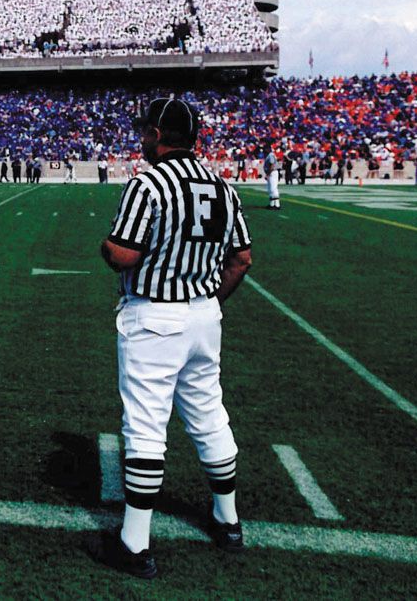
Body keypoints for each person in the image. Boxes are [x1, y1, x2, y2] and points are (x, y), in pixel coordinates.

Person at [95, 97, 253, 580]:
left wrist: (105, 246)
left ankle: (135, 543)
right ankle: (228, 521)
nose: (143, 139)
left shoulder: (148, 184)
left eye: (147, 131)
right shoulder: (223, 188)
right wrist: (208, 302)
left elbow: (124, 254)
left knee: (145, 423)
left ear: (160, 135)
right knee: (208, 414)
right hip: (205, 315)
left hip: (154, 317)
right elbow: (242, 258)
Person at [263, 144, 280, 209]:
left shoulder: (270, 155)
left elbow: (272, 164)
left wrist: (268, 174)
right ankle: (272, 204)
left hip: (272, 173)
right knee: (270, 188)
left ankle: (276, 205)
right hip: (272, 172)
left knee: (273, 188)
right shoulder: (270, 155)